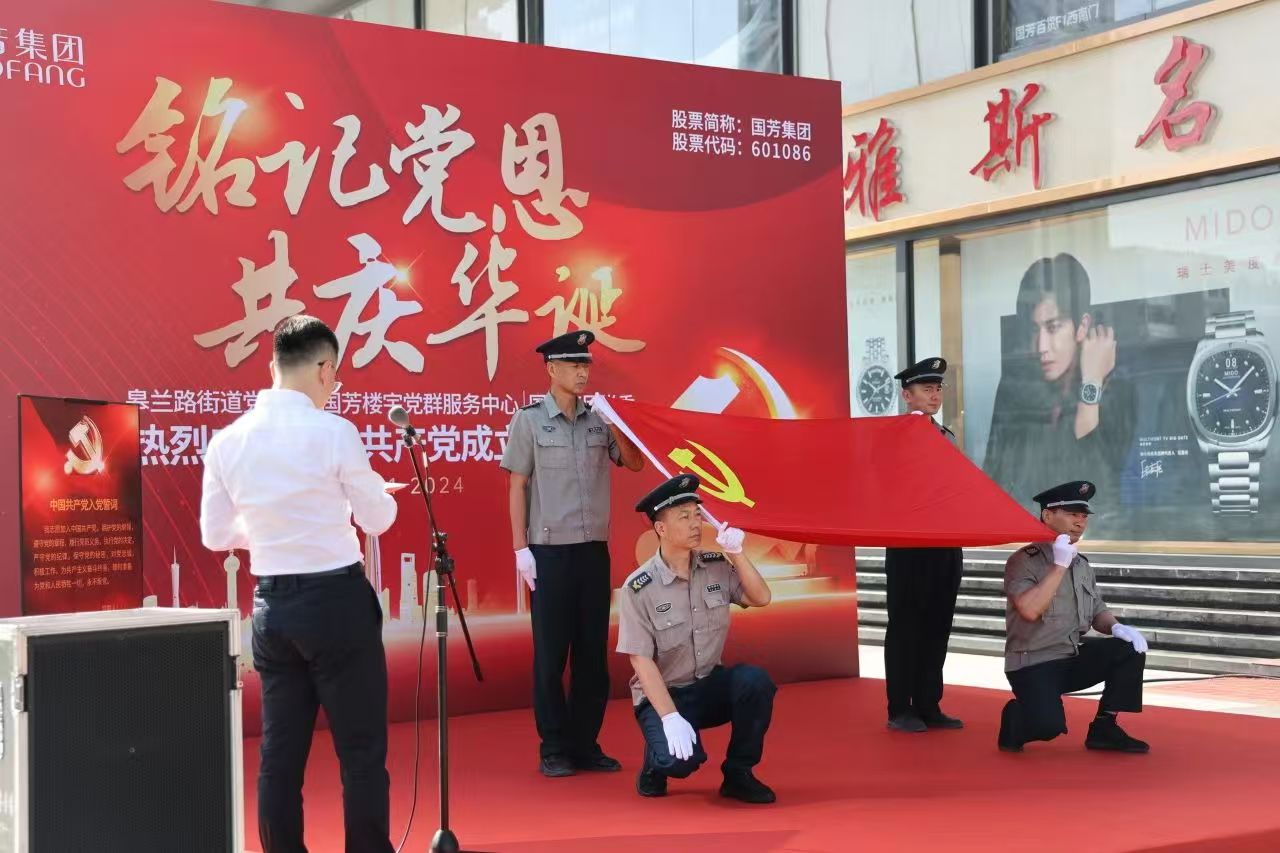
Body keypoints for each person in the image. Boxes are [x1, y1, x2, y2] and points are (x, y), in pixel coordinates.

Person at [200, 315, 398, 853]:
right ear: (324, 369)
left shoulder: (228, 440)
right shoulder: (334, 431)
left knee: (279, 756)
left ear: (273, 366)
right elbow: (377, 519)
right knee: (360, 752)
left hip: (272, 606)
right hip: (336, 602)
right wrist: (382, 494)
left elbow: (215, 535)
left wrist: (271, 527)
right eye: (335, 377)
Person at [499, 330, 646, 777]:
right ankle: (554, 748)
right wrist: (520, 548)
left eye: (586, 365)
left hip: (592, 551)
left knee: (592, 656)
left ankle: (585, 744)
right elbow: (517, 485)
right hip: (548, 553)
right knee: (550, 657)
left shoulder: (599, 421)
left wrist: (616, 422)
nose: (582, 373)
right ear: (552, 369)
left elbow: (635, 463)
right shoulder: (529, 421)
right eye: (573, 365)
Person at [616, 474, 777, 803]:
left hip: (707, 685)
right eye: (684, 517)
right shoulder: (639, 587)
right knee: (680, 762)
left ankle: (738, 774)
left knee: (755, 682)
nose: (695, 524)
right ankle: (655, 763)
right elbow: (640, 660)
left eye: (697, 514)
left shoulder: (715, 565)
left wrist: (737, 553)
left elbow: (761, 597)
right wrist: (669, 716)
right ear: (661, 528)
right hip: (664, 695)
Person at [983, 253, 1136, 528]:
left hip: (1096, 535)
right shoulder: (1015, 389)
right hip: (1024, 534)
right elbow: (994, 478)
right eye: (1034, 330)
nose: (1041, 346)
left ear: (1082, 326)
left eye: (1053, 328)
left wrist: (1092, 381)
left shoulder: (1117, 388)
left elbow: (1098, 475)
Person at [999, 480, 1151, 753]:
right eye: (1072, 514)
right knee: (1048, 727)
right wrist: (1059, 566)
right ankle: (1016, 718)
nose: (1080, 522)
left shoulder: (1081, 564)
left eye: (1084, 516)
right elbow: (1030, 609)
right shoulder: (1023, 560)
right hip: (1033, 662)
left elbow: (1096, 610)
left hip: (1071, 656)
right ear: (1047, 515)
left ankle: (1104, 728)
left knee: (1128, 649)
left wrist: (1117, 628)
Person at [883, 357, 965, 733]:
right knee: (906, 624)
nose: (934, 395)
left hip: (945, 541)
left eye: (937, 388)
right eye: (926, 389)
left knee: (938, 622)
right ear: (907, 395)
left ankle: (929, 703)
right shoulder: (892, 436)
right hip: (908, 543)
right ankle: (900, 707)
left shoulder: (946, 436)